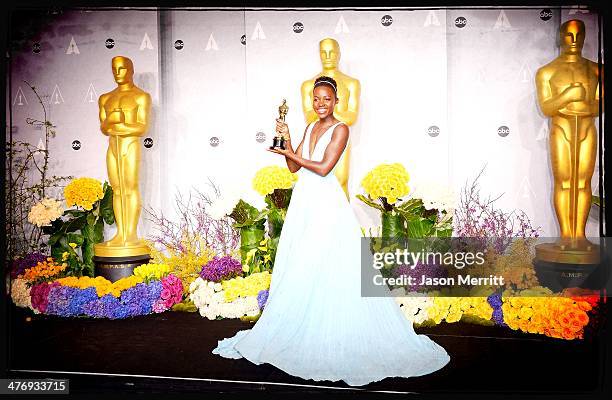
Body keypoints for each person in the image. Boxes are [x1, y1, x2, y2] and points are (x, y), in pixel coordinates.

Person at [212, 76, 450, 386]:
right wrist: (285, 140)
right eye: (316, 99)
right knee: (304, 263)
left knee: (330, 261)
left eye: (326, 99)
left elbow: (324, 168)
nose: (321, 104)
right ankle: (303, 323)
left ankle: (332, 329)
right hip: (304, 204)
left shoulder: (341, 129)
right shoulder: (310, 127)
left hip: (326, 204)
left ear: (336, 102)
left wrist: (289, 151)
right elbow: (294, 169)